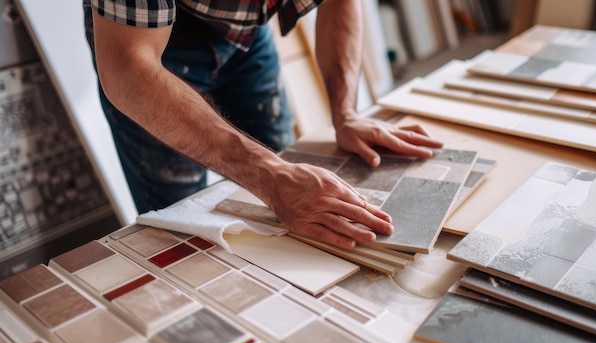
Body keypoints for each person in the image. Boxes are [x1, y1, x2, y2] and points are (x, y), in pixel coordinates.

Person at [83, 0, 444, 250]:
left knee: (290, 179)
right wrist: (270, 175)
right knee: (179, 222)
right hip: (149, 46)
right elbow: (128, 67)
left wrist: (345, 113)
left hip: (245, 32)